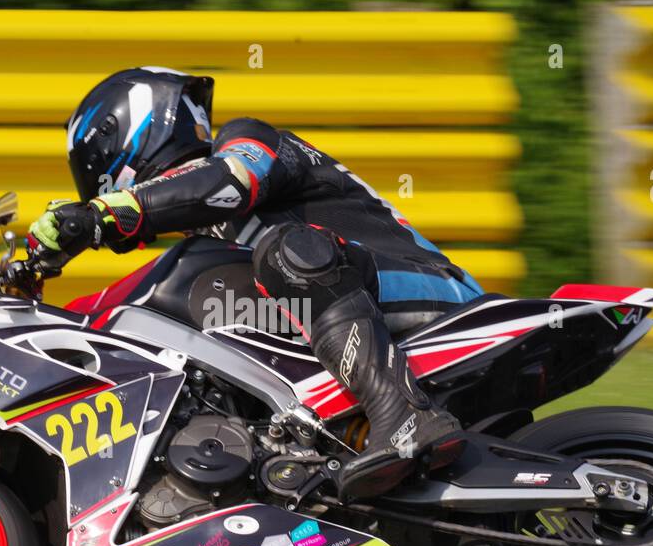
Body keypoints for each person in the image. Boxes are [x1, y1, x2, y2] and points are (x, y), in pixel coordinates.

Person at [29, 67, 479, 500]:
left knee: (286, 252)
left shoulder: (247, 140)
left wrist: (102, 216)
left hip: (433, 294)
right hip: (374, 320)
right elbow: (113, 311)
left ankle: (404, 413)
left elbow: (228, 182)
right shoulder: (203, 250)